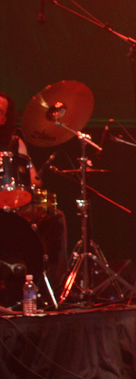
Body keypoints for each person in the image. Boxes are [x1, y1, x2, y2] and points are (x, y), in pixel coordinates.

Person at [0, 91, 68, 300]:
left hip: (14, 205)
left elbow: (34, 180)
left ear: (4, 118)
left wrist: (25, 183)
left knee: (56, 216)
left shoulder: (15, 143)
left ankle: (52, 290)